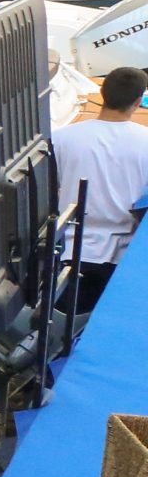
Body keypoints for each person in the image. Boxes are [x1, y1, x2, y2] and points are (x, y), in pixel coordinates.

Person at [55, 64, 148, 313]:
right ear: (138, 101)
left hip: (71, 254)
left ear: (103, 92)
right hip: (124, 260)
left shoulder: (61, 138)